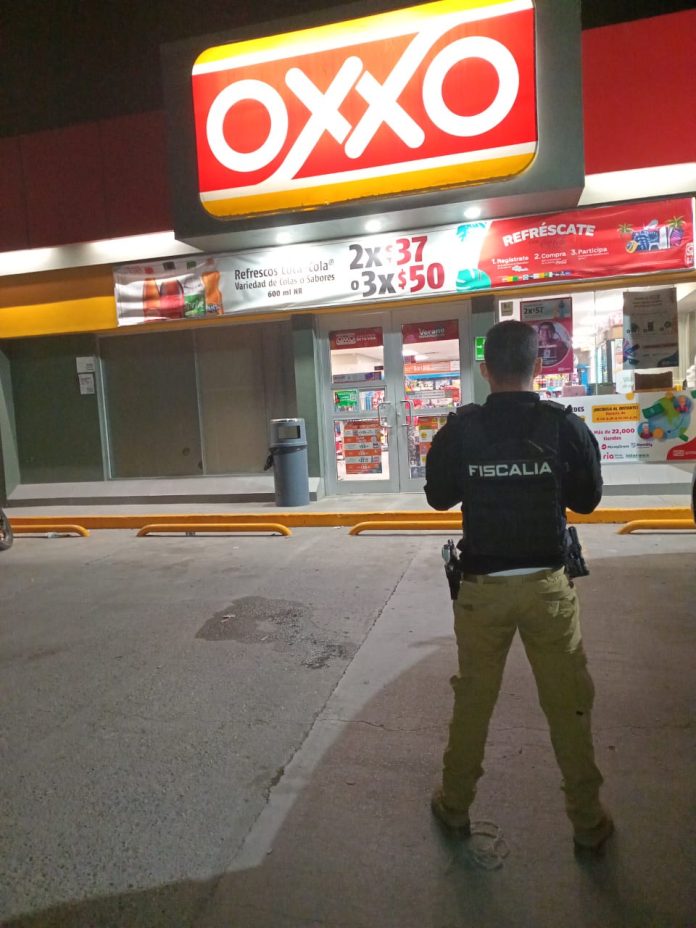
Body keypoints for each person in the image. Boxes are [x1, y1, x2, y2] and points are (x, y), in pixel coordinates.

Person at [424, 320, 612, 852]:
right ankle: (588, 822)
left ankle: (454, 806)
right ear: (540, 365)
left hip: (482, 590)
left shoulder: (461, 429)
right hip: (547, 587)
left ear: (485, 369)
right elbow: (588, 501)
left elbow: (438, 498)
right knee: (569, 704)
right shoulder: (564, 426)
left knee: (474, 702)